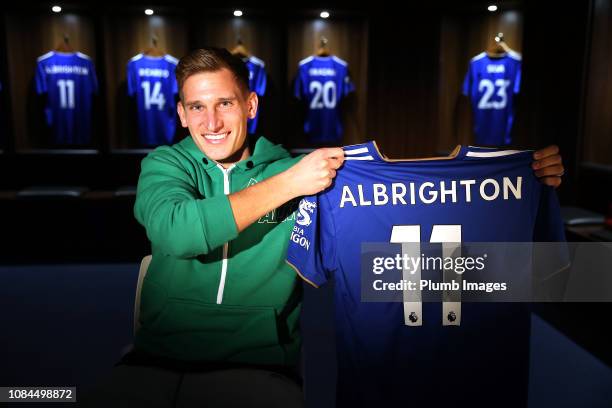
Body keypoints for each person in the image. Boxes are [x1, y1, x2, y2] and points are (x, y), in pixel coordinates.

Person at [81, 47, 564, 407]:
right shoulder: (165, 165)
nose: (211, 121)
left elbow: (396, 230)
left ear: (251, 105)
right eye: (197, 107)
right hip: (157, 356)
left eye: (225, 104)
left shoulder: (310, 176)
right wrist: (289, 184)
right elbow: (175, 231)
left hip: (258, 363)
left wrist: (515, 180)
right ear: (182, 114)